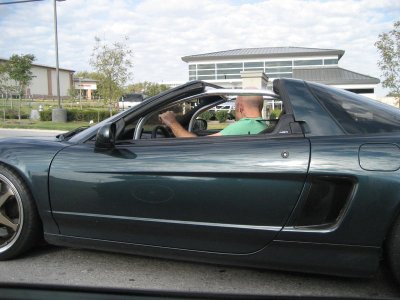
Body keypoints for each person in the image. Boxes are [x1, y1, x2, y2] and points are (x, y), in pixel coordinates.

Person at [159, 95, 267, 137]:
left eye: (235, 107)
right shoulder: (264, 126)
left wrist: (172, 122)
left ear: (240, 108)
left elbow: (196, 144)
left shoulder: (243, 126)